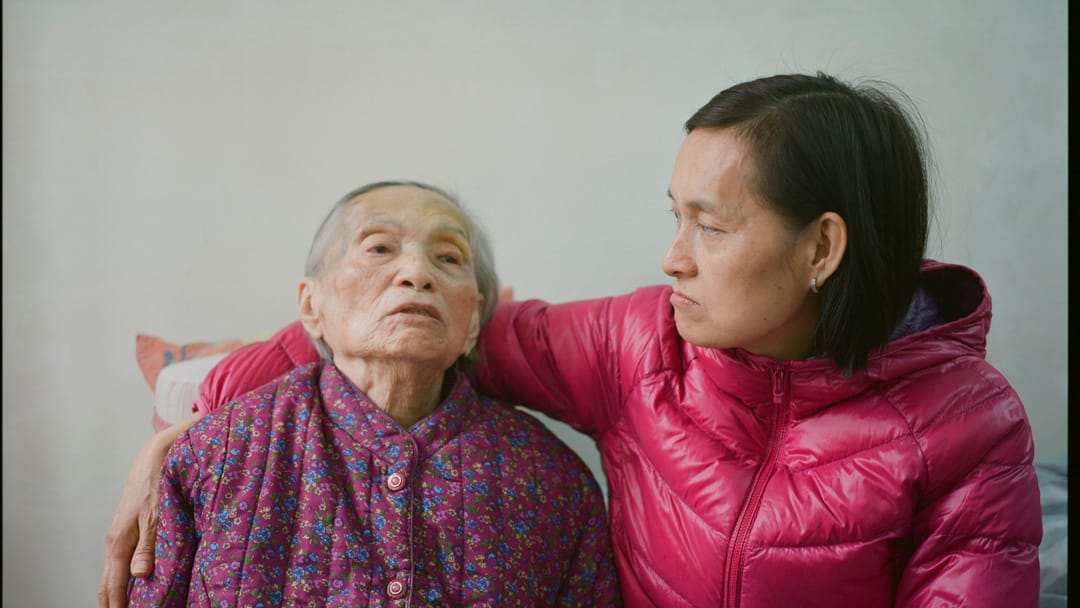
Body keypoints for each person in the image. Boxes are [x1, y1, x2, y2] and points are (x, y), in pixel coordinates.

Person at [103, 72, 1042, 607]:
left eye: (709, 226)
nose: (672, 258)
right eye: (673, 216)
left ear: (821, 249)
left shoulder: (968, 425)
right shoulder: (639, 342)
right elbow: (415, 328)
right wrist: (190, 426)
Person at [121, 181, 619, 606]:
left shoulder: (556, 485)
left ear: (472, 322)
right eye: (379, 248)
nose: (417, 273)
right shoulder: (211, 455)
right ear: (311, 306)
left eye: (449, 257)